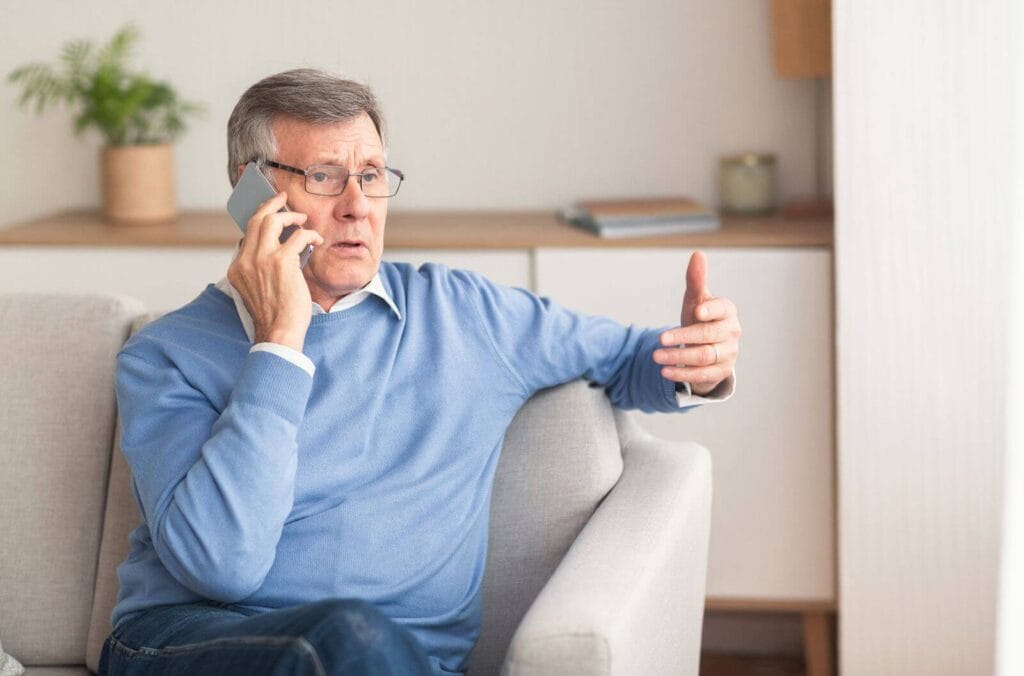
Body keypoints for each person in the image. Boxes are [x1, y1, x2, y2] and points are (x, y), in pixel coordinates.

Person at [99, 68, 741, 676]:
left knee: (359, 642)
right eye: (325, 176)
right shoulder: (165, 355)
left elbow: (632, 358)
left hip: (395, 659)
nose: (358, 207)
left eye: (372, 175)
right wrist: (281, 343)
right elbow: (221, 566)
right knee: (346, 637)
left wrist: (701, 359)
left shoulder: (467, 315)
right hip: (186, 643)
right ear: (252, 190)